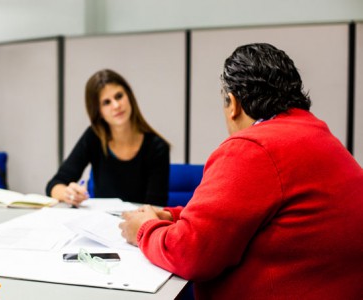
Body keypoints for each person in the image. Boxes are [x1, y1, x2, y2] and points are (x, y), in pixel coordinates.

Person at [119, 43, 363, 299]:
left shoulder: (255, 147)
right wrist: (173, 216)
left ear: (232, 103)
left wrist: (143, 229)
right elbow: (236, 217)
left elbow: (191, 254)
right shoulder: (316, 135)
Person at [46, 69, 170, 207]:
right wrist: (69, 194)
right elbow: (54, 185)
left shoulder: (157, 147)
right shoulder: (94, 136)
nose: (116, 105)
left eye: (119, 96)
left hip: (139, 226)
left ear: (129, 96)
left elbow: (156, 208)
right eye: (106, 102)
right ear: (98, 112)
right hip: (100, 224)